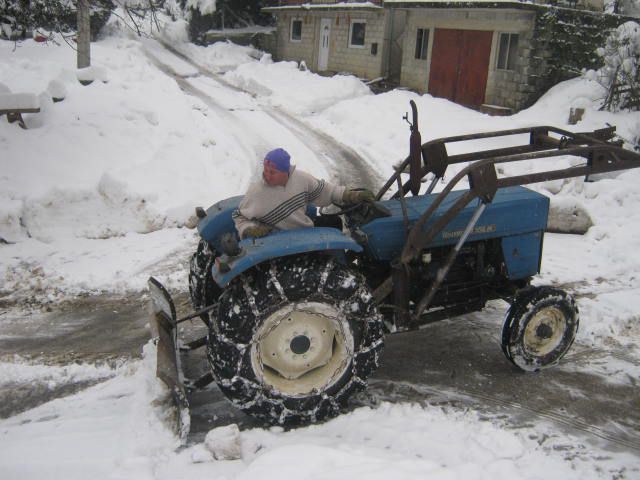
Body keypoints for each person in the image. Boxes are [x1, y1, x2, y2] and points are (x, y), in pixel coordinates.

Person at [232, 148, 375, 239]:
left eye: (272, 172)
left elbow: (327, 191)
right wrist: (250, 230)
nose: (266, 175)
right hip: (278, 238)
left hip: (303, 230)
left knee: (335, 222)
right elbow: (240, 217)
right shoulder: (257, 193)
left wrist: (350, 196)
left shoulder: (301, 179)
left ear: (285, 172)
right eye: (265, 170)